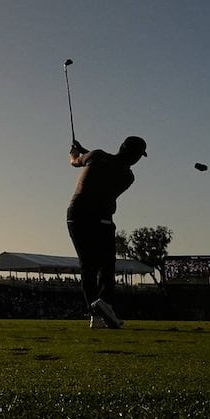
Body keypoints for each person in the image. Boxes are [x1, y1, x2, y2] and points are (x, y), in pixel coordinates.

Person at [67, 136, 147, 329]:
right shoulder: (128, 177)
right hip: (101, 218)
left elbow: (76, 161)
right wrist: (85, 152)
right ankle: (105, 303)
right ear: (136, 157)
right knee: (106, 264)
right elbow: (109, 165)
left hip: (76, 215)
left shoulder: (97, 155)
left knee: (87, 266)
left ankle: (95, 315)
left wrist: (75, 152)